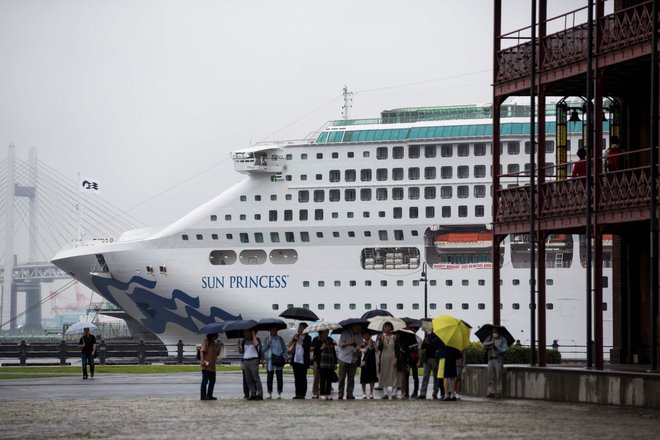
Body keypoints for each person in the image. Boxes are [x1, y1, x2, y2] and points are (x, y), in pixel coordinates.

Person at [336, 323, 363, 399]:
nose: (359, 328)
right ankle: (340, 393)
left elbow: (362, 343)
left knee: (351, 377)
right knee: (342, 377)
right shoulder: (344, 333)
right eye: (358, 326)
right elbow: (340, 344)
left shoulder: (359, 334)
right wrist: (349, 342)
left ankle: (350, 393)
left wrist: (359, 345)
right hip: (344, 358)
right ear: (353, 326)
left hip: (353, 359)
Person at [483, 326, 509, 398]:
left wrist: (496, 347)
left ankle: (498, 392)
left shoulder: (503, 339)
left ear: (499, 332)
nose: (494, 333)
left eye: (495, 332)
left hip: (498, 360)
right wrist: (489, 344)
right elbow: (484, 344)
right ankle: (490, 392)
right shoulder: (490, 337)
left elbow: (504, 349)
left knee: (498, 376)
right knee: (490, 376)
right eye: (493, 332)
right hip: (490, 359)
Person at [287, 322, 311, 399]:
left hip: (303, 361)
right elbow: (290, 346)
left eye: (301, 327)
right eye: (299, 327)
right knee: (297, 378)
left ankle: (302, 394)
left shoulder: (308, 338)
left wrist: (298, 340)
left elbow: (306, 347)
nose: (299, 328)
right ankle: (297, 394)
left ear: (305, 329)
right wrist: (293, 340)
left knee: (303, 378)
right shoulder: (296, 336)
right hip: (296, 360)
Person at [376, 322, 400, 399]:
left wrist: (396, 358)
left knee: (394, 374)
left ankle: (394, 393)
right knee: (384, 373)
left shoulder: (395, 337)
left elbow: (397, 349)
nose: (387, 328)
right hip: (384, 357)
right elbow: (379, 348)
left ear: (391, 328)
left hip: (393, 356)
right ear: (384, 328)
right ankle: (385, 393)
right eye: (386, 326)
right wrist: (381, 342)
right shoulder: (381, 337)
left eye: (389, 326)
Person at [238, 329, 263, 400]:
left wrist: (253, 335)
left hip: (254, 360)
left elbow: (256, 344)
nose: (245, 333)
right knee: (248, 379)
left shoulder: (256, 339)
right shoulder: (244, 341)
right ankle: (253, 393)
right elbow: (241, 351)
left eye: (246, 332)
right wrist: (238, 345)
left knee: (256, 378)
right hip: (246, 360)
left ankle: (260, 394)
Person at [313, 329, 337, 400]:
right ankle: (322, 393)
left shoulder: (330, 340)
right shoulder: (318, 341)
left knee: (329, 379)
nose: (326, 334)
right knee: (323, 379)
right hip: (322, 363)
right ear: (321, 333)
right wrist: (321, 348)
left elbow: (333, 351)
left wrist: (335, 362)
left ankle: (328, 393)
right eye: (325, 332)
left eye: (327, 332)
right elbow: (315, 353)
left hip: (330, 362)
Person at [264, 326, 286, 399]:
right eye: (272, 330)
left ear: (277, 331)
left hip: (278, 359)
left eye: (274, 330)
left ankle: (279, 392)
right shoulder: (267, 339)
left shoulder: (280, 339)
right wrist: (268, 345)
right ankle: (269, 392)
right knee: (269, 377)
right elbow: (263, 350)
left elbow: (284, 348)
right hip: (270, 360)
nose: (273, 331)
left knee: (279, 377)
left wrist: (286, 357)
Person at [418, 328, 441, 400]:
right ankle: (423, 393)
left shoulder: (439, 337)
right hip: (427, 359)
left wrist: (430, 342)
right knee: (425, 376)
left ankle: (435, 393)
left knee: (436, 378)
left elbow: (437, 346)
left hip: (435, 359)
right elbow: (422, 347)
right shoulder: (427, 336)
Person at [199, 333, 222, 400]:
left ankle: (209, 395)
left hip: (212, 366)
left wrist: (220, 347)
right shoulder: (206, 341)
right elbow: (202, 351)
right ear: (213, 335)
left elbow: (217, 353)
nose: (218, 336)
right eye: (216, 335)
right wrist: (202, 360)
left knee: (212, 381)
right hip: (206, 365)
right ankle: (203, 396)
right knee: (205, 381)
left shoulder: (213, 343)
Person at [359, 330, 378, 399]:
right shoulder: (361, 343)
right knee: (363, 378)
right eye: (365, 334)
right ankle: (364, 392)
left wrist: (373, 344)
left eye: (368, 334)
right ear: (363, 336)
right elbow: (363, 351)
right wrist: (368, 345)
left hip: (372, 362)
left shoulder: (373, 342)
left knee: (372, 378)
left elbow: (376, 350)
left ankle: (371, 393)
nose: (366, 336)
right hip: (364, 362)